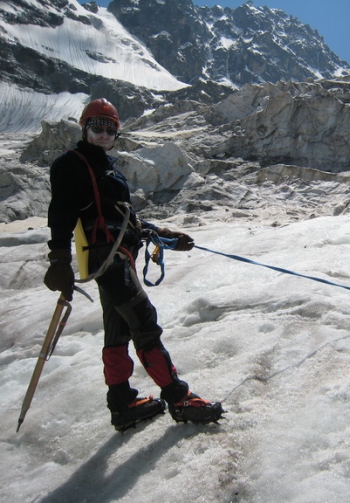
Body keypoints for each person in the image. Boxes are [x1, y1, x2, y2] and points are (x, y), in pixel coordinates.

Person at [43, 98, 224, 432]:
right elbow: (61, 213)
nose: (103, 134)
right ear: (85, 128)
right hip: (106, 258)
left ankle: (122, 404)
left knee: (118, 329)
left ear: (116, 134)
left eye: (109, 129)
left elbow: (125, 219)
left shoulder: (110, 170)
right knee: (143, 321)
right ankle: (179, 398)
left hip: (119, 255)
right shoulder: (72, 163)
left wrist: (163, 234)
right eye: (96, 127)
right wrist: (58, 259)